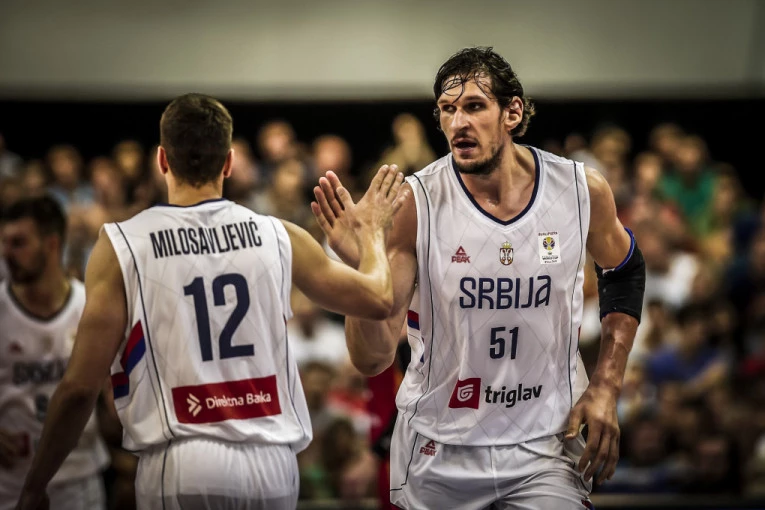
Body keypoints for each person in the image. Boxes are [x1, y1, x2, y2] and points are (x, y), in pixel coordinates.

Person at [14, 93, 406, 510]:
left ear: (162, 160)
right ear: (229, 162)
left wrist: (36, 485)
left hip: (184, 457)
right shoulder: (278, 234)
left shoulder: (124, 243)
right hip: (272, 463)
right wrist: (371, 235)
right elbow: (379, 297)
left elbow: (79, 388)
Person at [312, 46, 646, 509]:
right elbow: (373, 358)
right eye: (447, 110)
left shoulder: (579, 189)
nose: (457, 123)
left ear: (512, 112)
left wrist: (607, 384)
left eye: (473, 106)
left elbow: (624, 270)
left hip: (545, 442)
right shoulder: (415, 205)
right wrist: (362, 266)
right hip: (440, 446)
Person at [0, 195, 110, 509]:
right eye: (4, 242)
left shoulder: (89, 306)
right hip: (11, 482)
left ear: (51, 244)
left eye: (18, 243)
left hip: (79, 478)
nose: (6, 253)